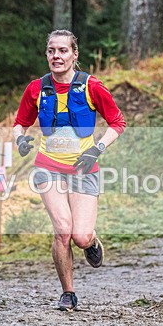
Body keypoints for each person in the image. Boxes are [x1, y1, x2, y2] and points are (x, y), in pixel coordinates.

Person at [13, 30, 125, 311]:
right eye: (51, 51)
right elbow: (20, 123)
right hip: (47, 169)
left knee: (80, 237)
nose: (56, 56)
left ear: (75, 55)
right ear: (46, 54)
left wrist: (97, 149)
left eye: (63, 51)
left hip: (83, 169)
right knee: (62, 231)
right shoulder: (36, 89)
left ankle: (92, 241)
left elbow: (117, 123)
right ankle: (68, 293)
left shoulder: (92, 86)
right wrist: (20, 140)